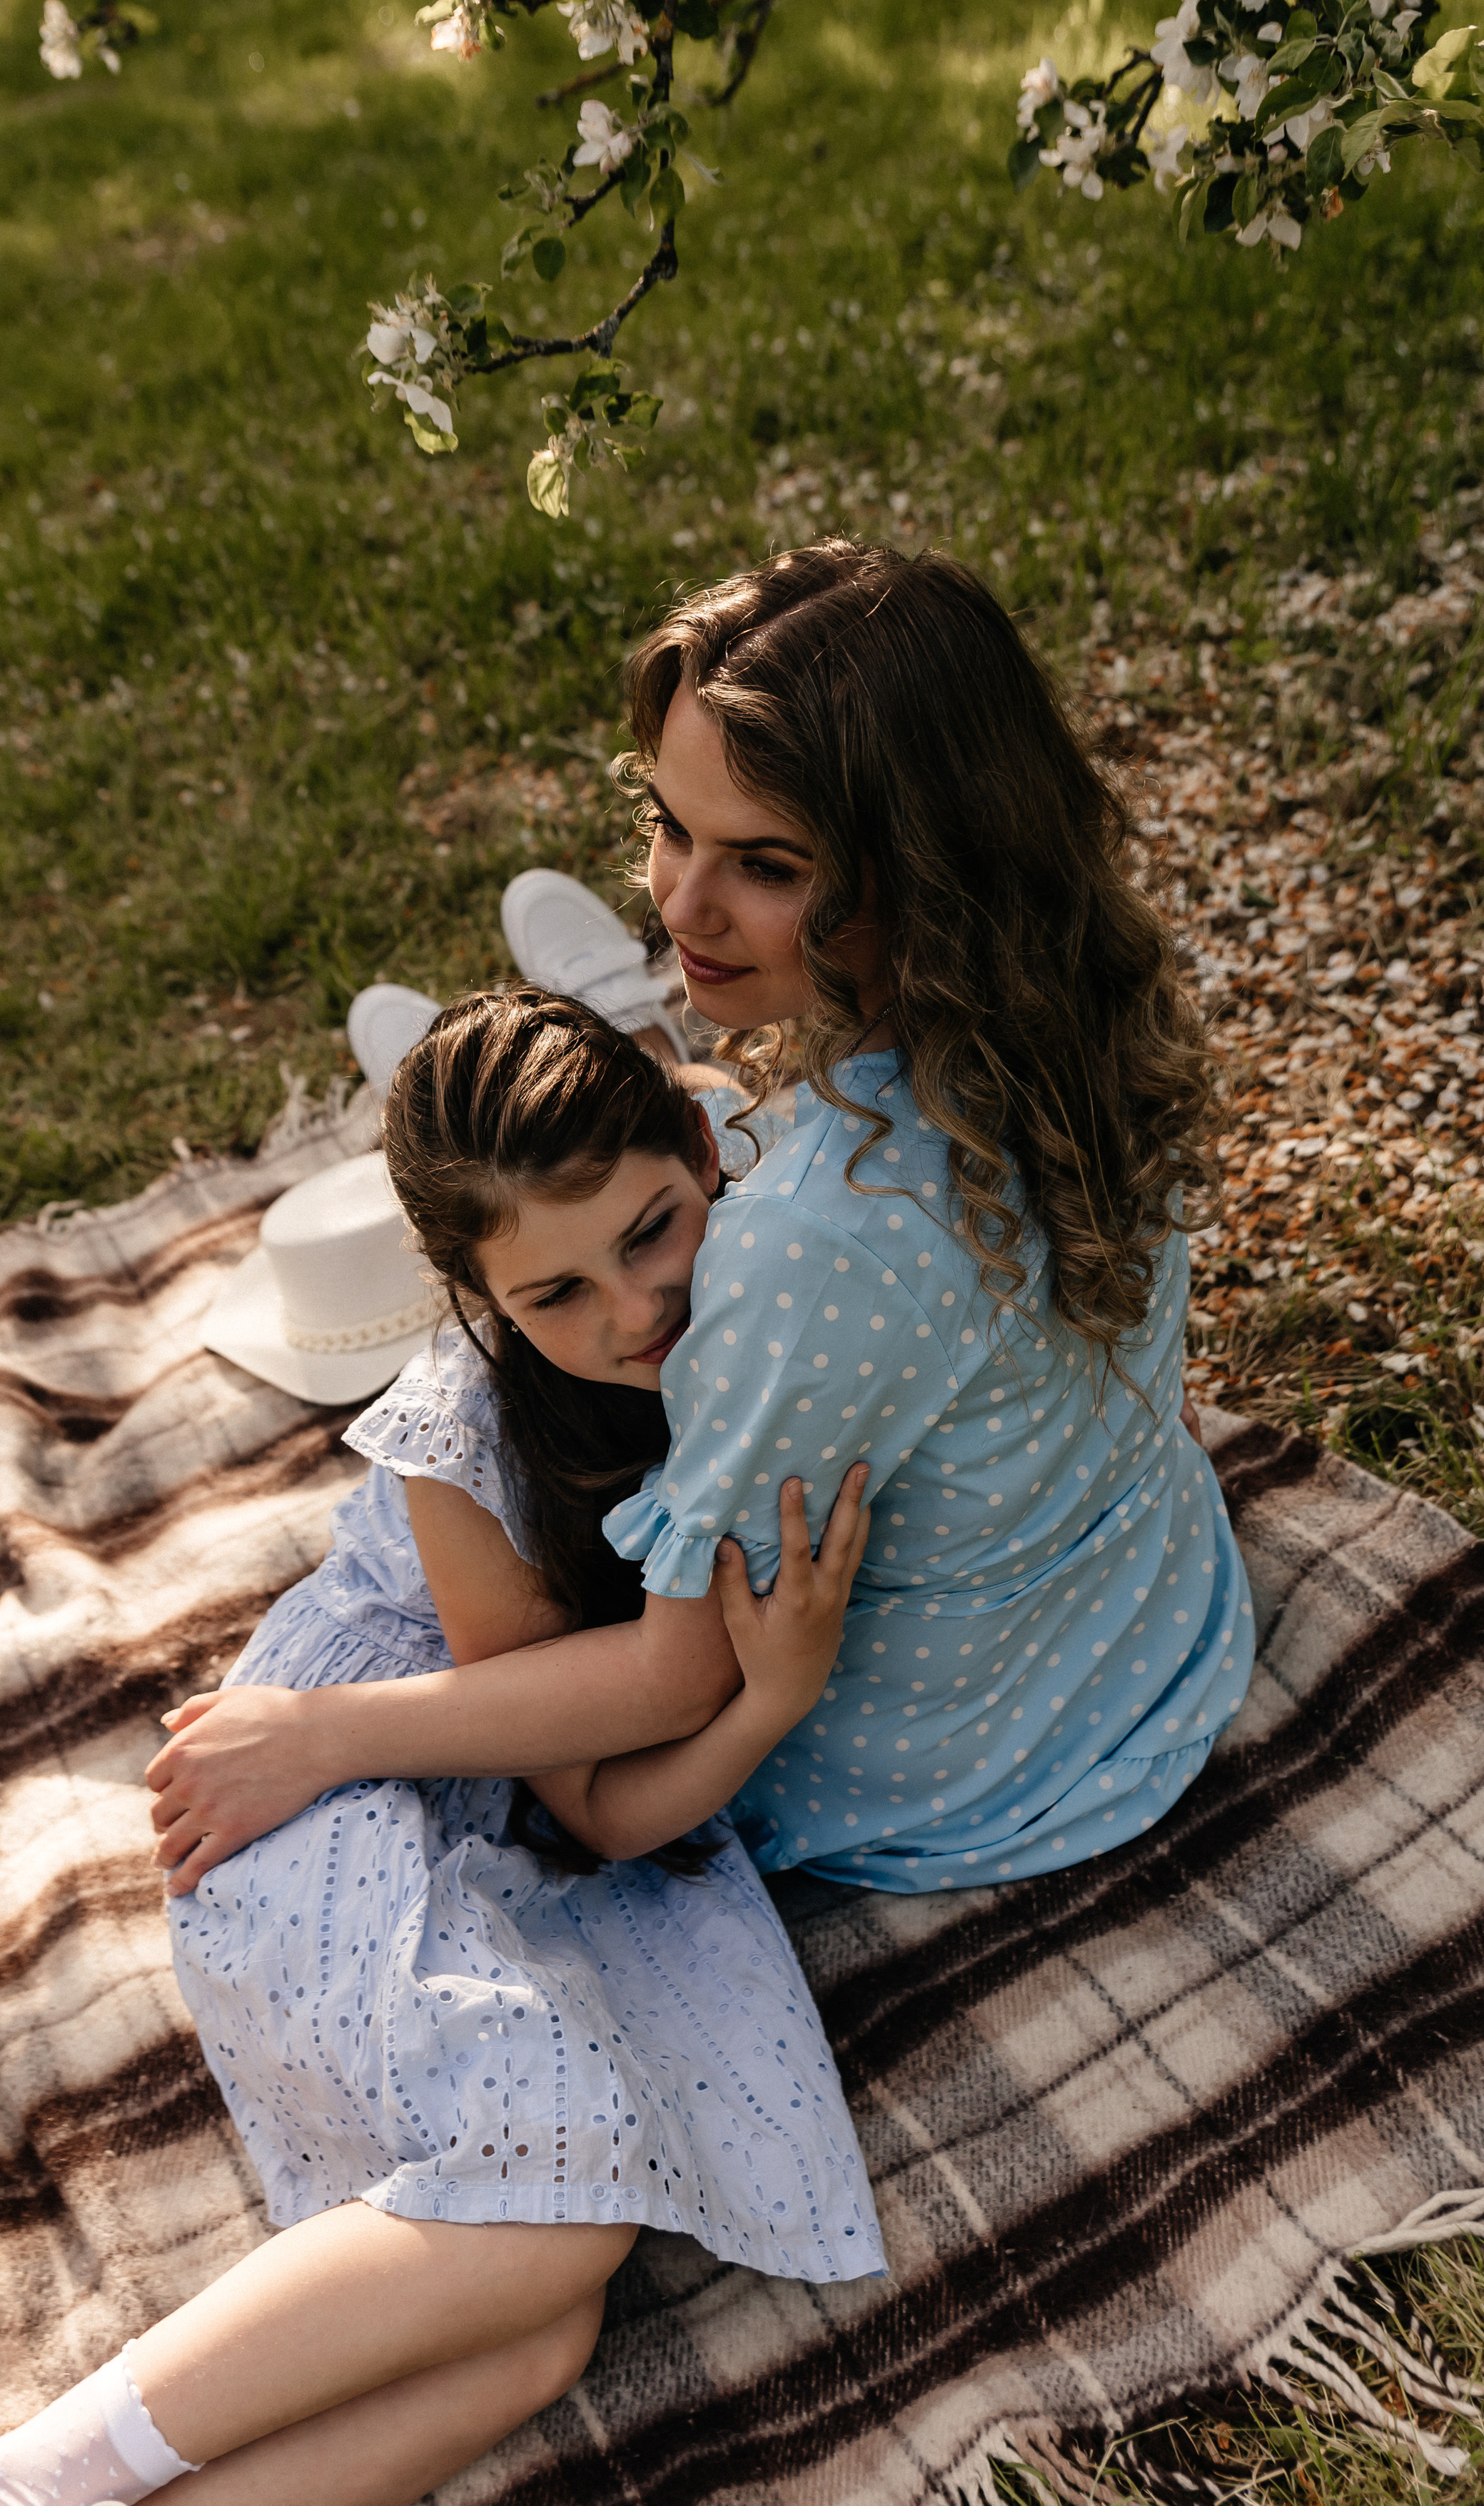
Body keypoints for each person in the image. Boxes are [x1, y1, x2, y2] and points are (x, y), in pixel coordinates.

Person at [0, 991, 881, 2506]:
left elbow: (605, 1812)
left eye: (651, 1230)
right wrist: (321, 1736)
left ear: (702, 1150)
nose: (631, 1311)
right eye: (552, 1296)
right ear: (474, 1300)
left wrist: (772, 1702)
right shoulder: (466, 1434)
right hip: (333, 1798)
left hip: (489, 1820)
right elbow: (634, 1708)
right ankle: (10, 2486)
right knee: (555, 2216)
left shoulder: (762, 1241)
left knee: (535, 2344)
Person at [151, 539, 1251, 1899]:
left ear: (925, 873)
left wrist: (320, 1733)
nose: (681, 897)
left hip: (973, 1761)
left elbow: (676, 1677)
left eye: (767, 867)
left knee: (455, 1399)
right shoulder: (1076, 996)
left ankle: (497, 1084)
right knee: (640, 1161)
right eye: (673, 828)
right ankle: (591, 1057)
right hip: (1145, 1614)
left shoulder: (805, 1245)